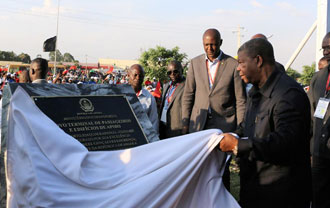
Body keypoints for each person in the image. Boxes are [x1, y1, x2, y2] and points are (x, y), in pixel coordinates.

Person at [219, 38, 311, 208]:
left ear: (258, 60)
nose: (238, 68)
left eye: (241, 63)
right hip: (255, 189)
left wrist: (240, 145)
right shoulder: (255, 93)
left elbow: (286, 141)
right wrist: (227, 137)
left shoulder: (288, 94)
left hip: (280, 195)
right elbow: (248, 128)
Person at [182, 28, 247, 190]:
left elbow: (240, 99)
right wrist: (185, 123)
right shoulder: (195, 63)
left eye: (213, 45)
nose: (209, 49)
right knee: (199, 167)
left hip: (224, 126)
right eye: (206, 45)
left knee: (221, 169)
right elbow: (188, 95)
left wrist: (240, 127)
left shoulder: (232, 65)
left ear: (220, 43)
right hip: (199, 125)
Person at [308, 32, 330, 208]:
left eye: (329, 48)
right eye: (324, 48)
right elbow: (310, 114)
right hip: (319, 153)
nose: (326, 52)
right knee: (318, 198)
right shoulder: (318, 78)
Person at [128, 64, 159, 134]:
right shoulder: (120, 94)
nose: (138, 78)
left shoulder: (149, 98)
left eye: (141, 76)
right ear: (128, 75)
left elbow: (154, 122)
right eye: (135, 75)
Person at [159, 61, 185, 139]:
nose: (172, 74)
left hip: (177, 128)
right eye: (169, 72)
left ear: (182, 71)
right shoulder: (166, 86)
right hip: (163, 126)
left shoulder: (187, 85)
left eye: (175, 71)